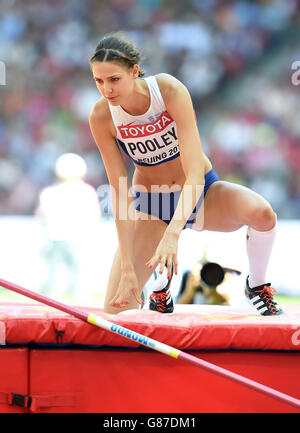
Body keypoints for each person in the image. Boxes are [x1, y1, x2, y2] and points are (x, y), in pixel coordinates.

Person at [88, 32, 283, 316]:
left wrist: (173, 234)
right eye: (99, 81)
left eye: (114, 79)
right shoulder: (101, 116)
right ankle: (160, 285)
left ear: (133, 71)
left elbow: (193, 173)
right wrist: (128, 268)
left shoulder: (168, 91)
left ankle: (257, 285)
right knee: (114, 313)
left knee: (263, 213)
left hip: (202, 192)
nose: (107, 90)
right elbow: (119, 191)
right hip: (153, 204)